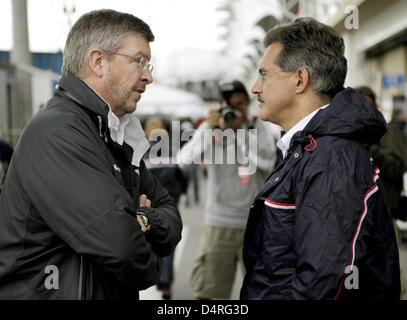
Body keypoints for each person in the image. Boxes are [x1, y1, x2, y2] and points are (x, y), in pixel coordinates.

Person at [0, 9, 182, 299]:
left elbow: (171, 216)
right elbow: (124, 247)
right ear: (98, 61)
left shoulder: (111, 134)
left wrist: (143, 220)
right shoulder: (59, 132)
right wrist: (148, 257)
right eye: (140, 61)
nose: (148, 76)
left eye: (149, 64)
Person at [240, 17, 400, 300]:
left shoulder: (330, 158)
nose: (255, 87)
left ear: (300, 79)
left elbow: (323, 284)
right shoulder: (312, 148)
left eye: (264, 75)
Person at [178, 80, 277, 299]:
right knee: (208, 293)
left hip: (253, 224)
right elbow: (184, 161)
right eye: (231, 105)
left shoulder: (255, 127)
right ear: (222, 105)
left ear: (247, 105)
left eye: (240, 104)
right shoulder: (211, 126)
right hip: (218, 222)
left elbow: (267, 163)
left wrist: (238, 136)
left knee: (261, 292)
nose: (236, 110)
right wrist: (208, 129)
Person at [143, 116, 188, 299]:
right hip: (170, 202)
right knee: (168, 241)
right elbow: (182, 176)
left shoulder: (142, 152)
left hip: (150, 203)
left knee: (150, 241)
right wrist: (179, 194)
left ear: (147, 133)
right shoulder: (172, 151)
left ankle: (156, 275)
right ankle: (166, 281)